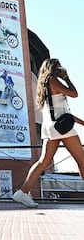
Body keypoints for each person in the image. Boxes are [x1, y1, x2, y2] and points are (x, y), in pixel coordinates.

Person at [12, 58, 84, 208]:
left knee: (44, 161)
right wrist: (67, 78)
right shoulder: (53, 80)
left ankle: (23, 192)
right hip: (62, 128)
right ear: (52, 69)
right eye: (58, 67)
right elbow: (74, 94)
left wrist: (81, 122)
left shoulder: (45, 83)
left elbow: (61, 111)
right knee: (82, 160)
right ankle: (23, 192)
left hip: (52, 127)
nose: (61, 69)